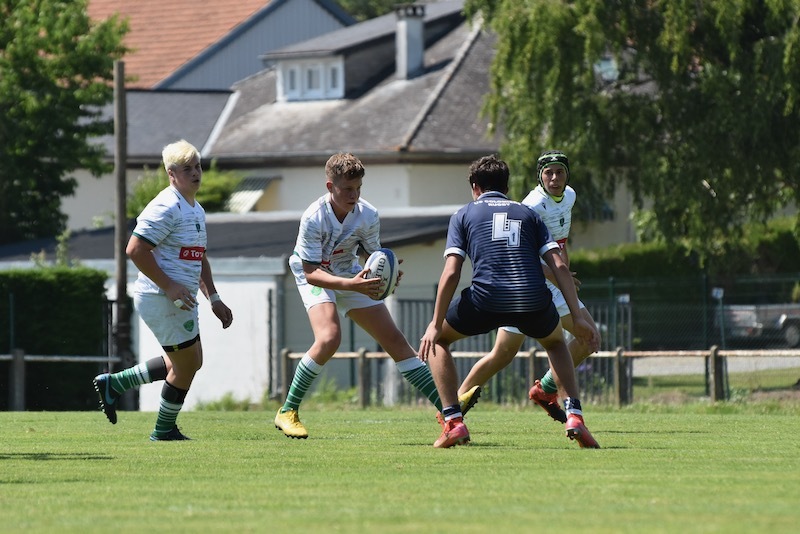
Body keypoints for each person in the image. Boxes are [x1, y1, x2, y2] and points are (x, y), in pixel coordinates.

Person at [274, 152, 480, 440]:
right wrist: (352, 285)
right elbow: (310, 272)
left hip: (351, 274)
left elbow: (374, 257)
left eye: (358, 188)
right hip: (316, 275)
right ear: (330, 186)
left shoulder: (368, 214)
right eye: (348, 189)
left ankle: (449, 413)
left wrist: (387, 275)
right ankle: (287, 411)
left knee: (396, 341)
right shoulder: (313, 217)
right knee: (329, 337)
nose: (354, 195)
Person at [419, 154, 601, 449]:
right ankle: (575, 417)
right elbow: (559, 266)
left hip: (486, 298)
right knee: (556, 343)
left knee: (439, 340)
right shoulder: (529, 214)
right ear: (506, 187)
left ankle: (453, 422)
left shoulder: (463, 214)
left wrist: (435, 323)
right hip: (532, 298)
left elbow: (451, 272)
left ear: (474, 187)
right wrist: (578, 317)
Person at [92, 139, 233, 441]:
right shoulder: (166, 206)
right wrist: (168, 286)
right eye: (187, 168)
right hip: (161, 297)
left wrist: (214, 298)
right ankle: (164, 429)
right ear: (171, 174)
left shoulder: (195, 208)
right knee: (187, 364)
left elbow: (199, 257)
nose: (195, 173)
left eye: (197, 166)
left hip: (180, 298)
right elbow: (135, 249)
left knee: (188, 361)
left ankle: (115, 384)